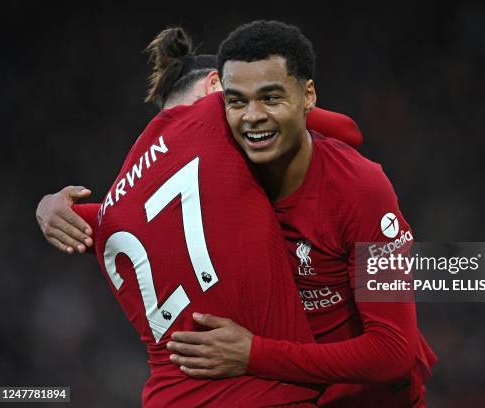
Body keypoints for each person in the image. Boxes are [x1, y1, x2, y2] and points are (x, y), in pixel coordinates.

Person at [37, 27, 328, 407]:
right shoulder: (215, 118)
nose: (251, 112)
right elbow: (333, 127)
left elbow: (73, 218)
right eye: (239, 97)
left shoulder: (115, 205)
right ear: (215, 87)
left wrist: (45, 206)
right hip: (259, 394)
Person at [162, 21, 437, 407]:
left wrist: (252, 354)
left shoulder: (360, 190)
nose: (251, 116)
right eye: (237, 101)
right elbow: (139, 221)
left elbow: (392, 350)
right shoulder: (219, 176)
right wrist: (58, 208)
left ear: (308, 94)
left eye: (270, 98)